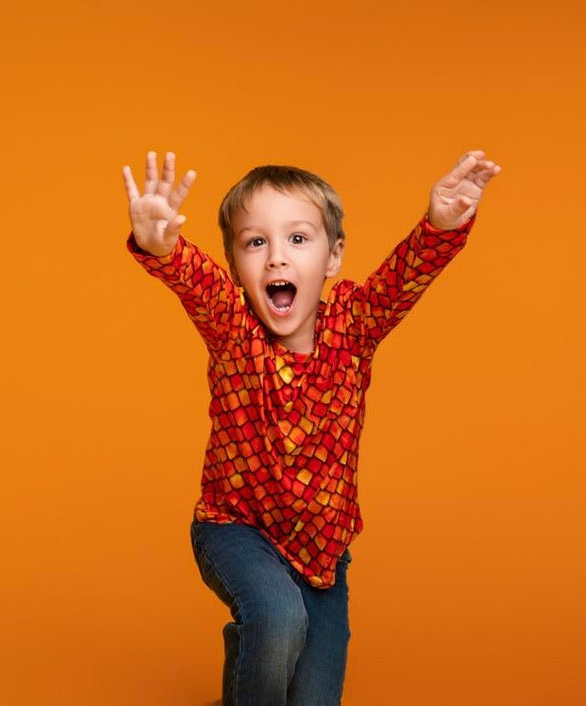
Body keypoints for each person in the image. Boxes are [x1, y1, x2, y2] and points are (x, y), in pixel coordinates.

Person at [122, 150, 499, 705]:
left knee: (313, 697)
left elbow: (401, 282)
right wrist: (162, 247)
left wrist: (440, 226)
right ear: (234, 263)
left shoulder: (355, 325)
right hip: (236, 529)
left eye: (298, 239)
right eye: (256, 243)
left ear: (332, 257)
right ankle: (259, 636)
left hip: (323, 553)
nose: (277, 259)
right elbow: (194, 283)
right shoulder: (233, 328)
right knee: (277, 619)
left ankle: (248, 658)